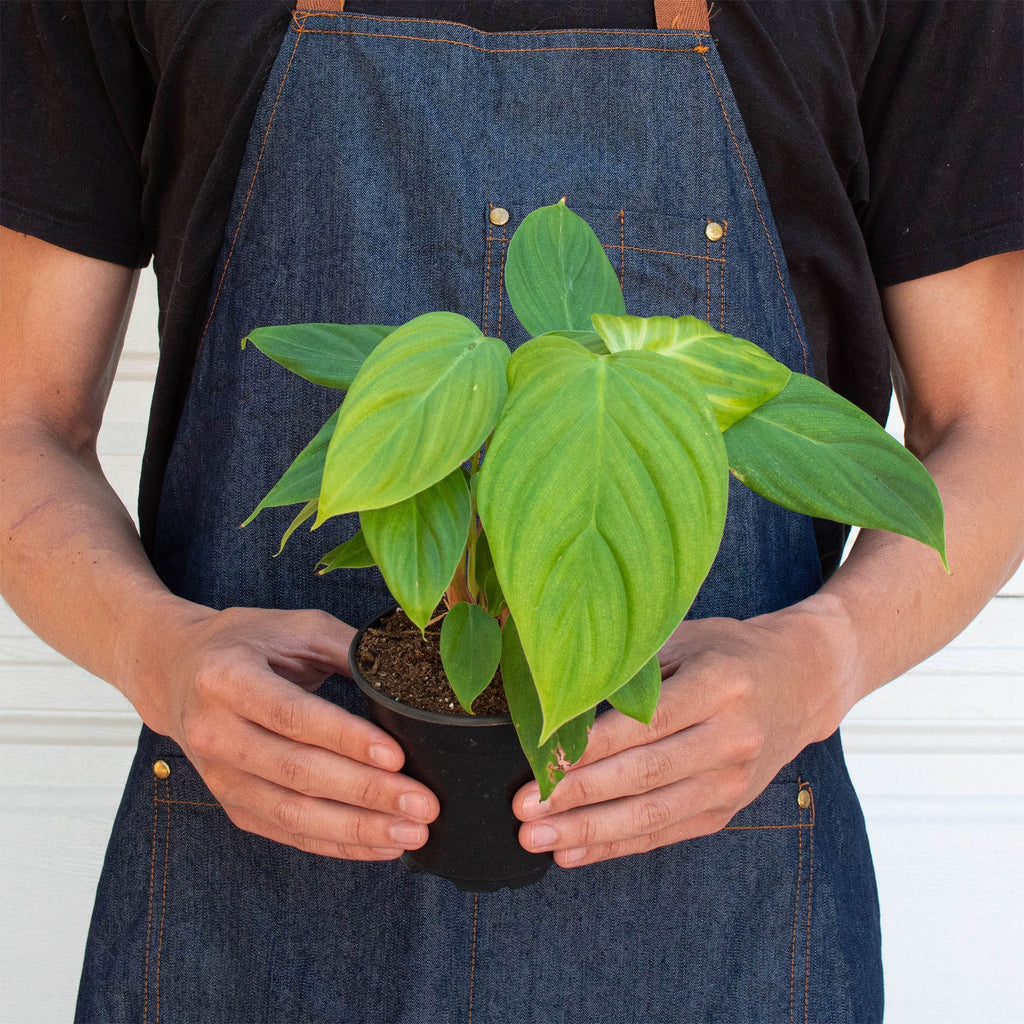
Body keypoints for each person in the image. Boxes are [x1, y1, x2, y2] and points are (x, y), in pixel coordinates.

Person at [1, 1, 1021, 1021]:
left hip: (718, 918)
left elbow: (992, 423)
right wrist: (155, 654)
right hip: (253, 902)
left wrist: (824, 659)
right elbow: (22, 419)